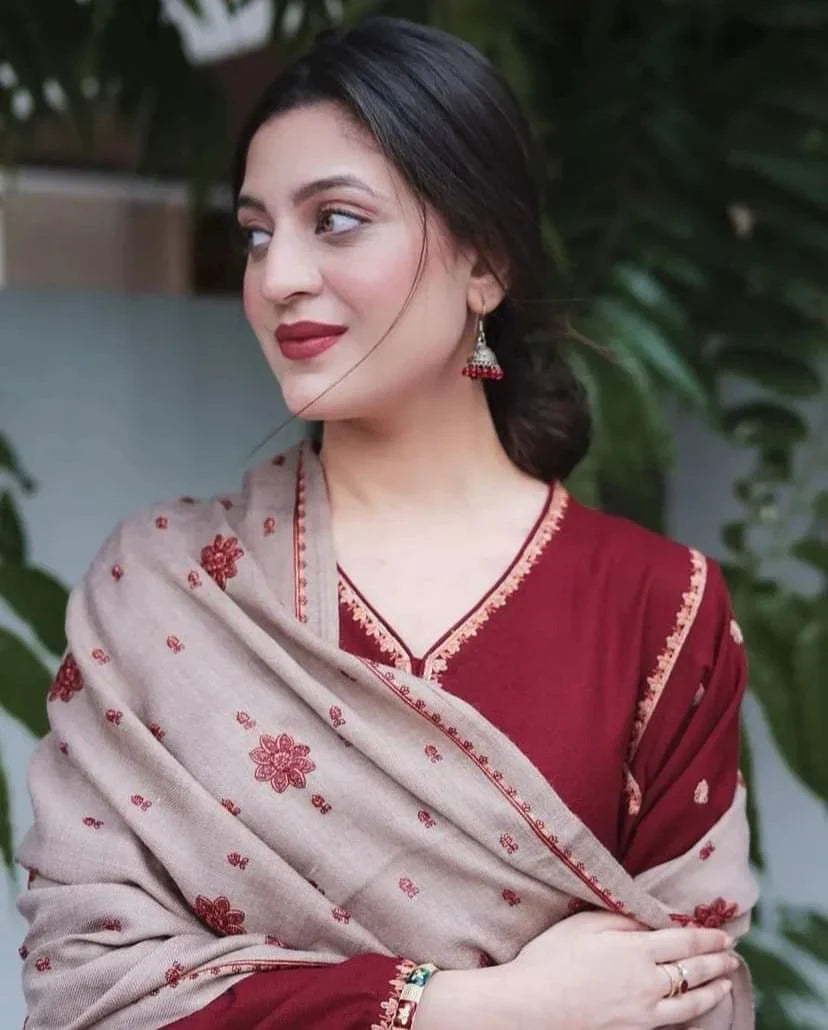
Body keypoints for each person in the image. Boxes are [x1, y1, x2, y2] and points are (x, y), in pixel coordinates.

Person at [17, 16, 757, 1030]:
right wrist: (467, 1007)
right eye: (256, 234)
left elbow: (685, 990)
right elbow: (88, 985)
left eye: (336, 220)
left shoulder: (658, 607)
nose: (277, 277)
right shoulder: (163, 588)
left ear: (485, 263)